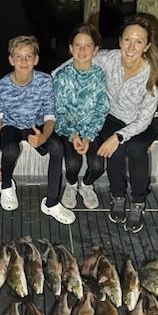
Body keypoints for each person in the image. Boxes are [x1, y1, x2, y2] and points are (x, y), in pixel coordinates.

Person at [90, 14, 158, 233]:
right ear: (120, 40)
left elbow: (144, 119)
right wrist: (52, 78)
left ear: (147, 45)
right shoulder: (107, 58)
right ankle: (118, 195)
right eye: (127, 40)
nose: (131, 47)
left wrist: (118, 136)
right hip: (113, 116)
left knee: (136, 147)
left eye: (138, 41)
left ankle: (138, 201)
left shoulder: (153, 74)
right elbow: (80, 57)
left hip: (143, 122)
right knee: (116, 150)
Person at [0, 36, 74, 224]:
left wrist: (43, 137)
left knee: (57, 147)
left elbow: (50, 117)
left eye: (28, 56)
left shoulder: (44, 81)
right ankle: (6, 185)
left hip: (35, 126)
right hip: (10, 126)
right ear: (11, 60)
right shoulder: (2, 86)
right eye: (18, 56)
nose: (24, 61)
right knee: (10, 149)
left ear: (36, 59)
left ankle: (51, 202)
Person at [53, 24, 110, 211]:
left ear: (96, 50)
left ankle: (86, 184)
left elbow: (101, 109)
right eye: (77, 45)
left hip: (91, 130)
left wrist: (87, 137)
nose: (82, 50)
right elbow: (58, 111)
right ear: (70, 48)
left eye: (87, 46)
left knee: (97, 165)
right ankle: (71, 185)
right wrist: (74, 136)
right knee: (72, 163)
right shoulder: (61, 77)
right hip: (68, 129)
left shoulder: (101, 76)